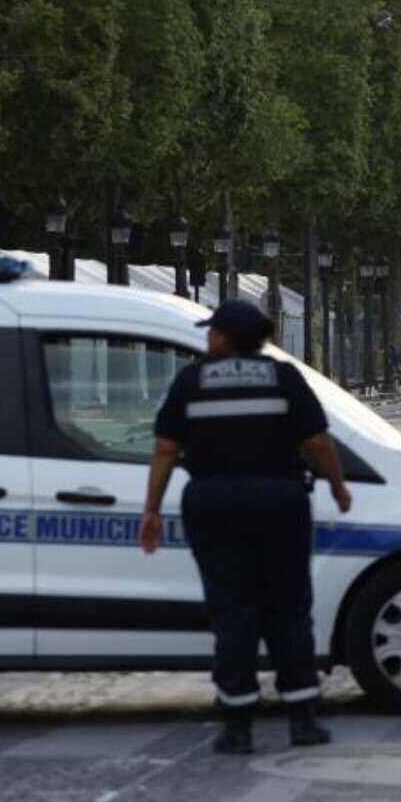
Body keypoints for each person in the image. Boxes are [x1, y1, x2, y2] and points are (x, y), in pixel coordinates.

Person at [143, 300, 353, 755]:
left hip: (214, 503)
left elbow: (164, 448)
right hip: (280, 502)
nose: (207, 339)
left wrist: (151, 509)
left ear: (224, 338)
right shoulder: (283, 377)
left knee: (232, 610)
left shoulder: (193, 380)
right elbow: (316, 441)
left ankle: (237, 724)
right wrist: (337, 486)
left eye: (211, 332)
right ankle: (302, 718)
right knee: (288, 609)